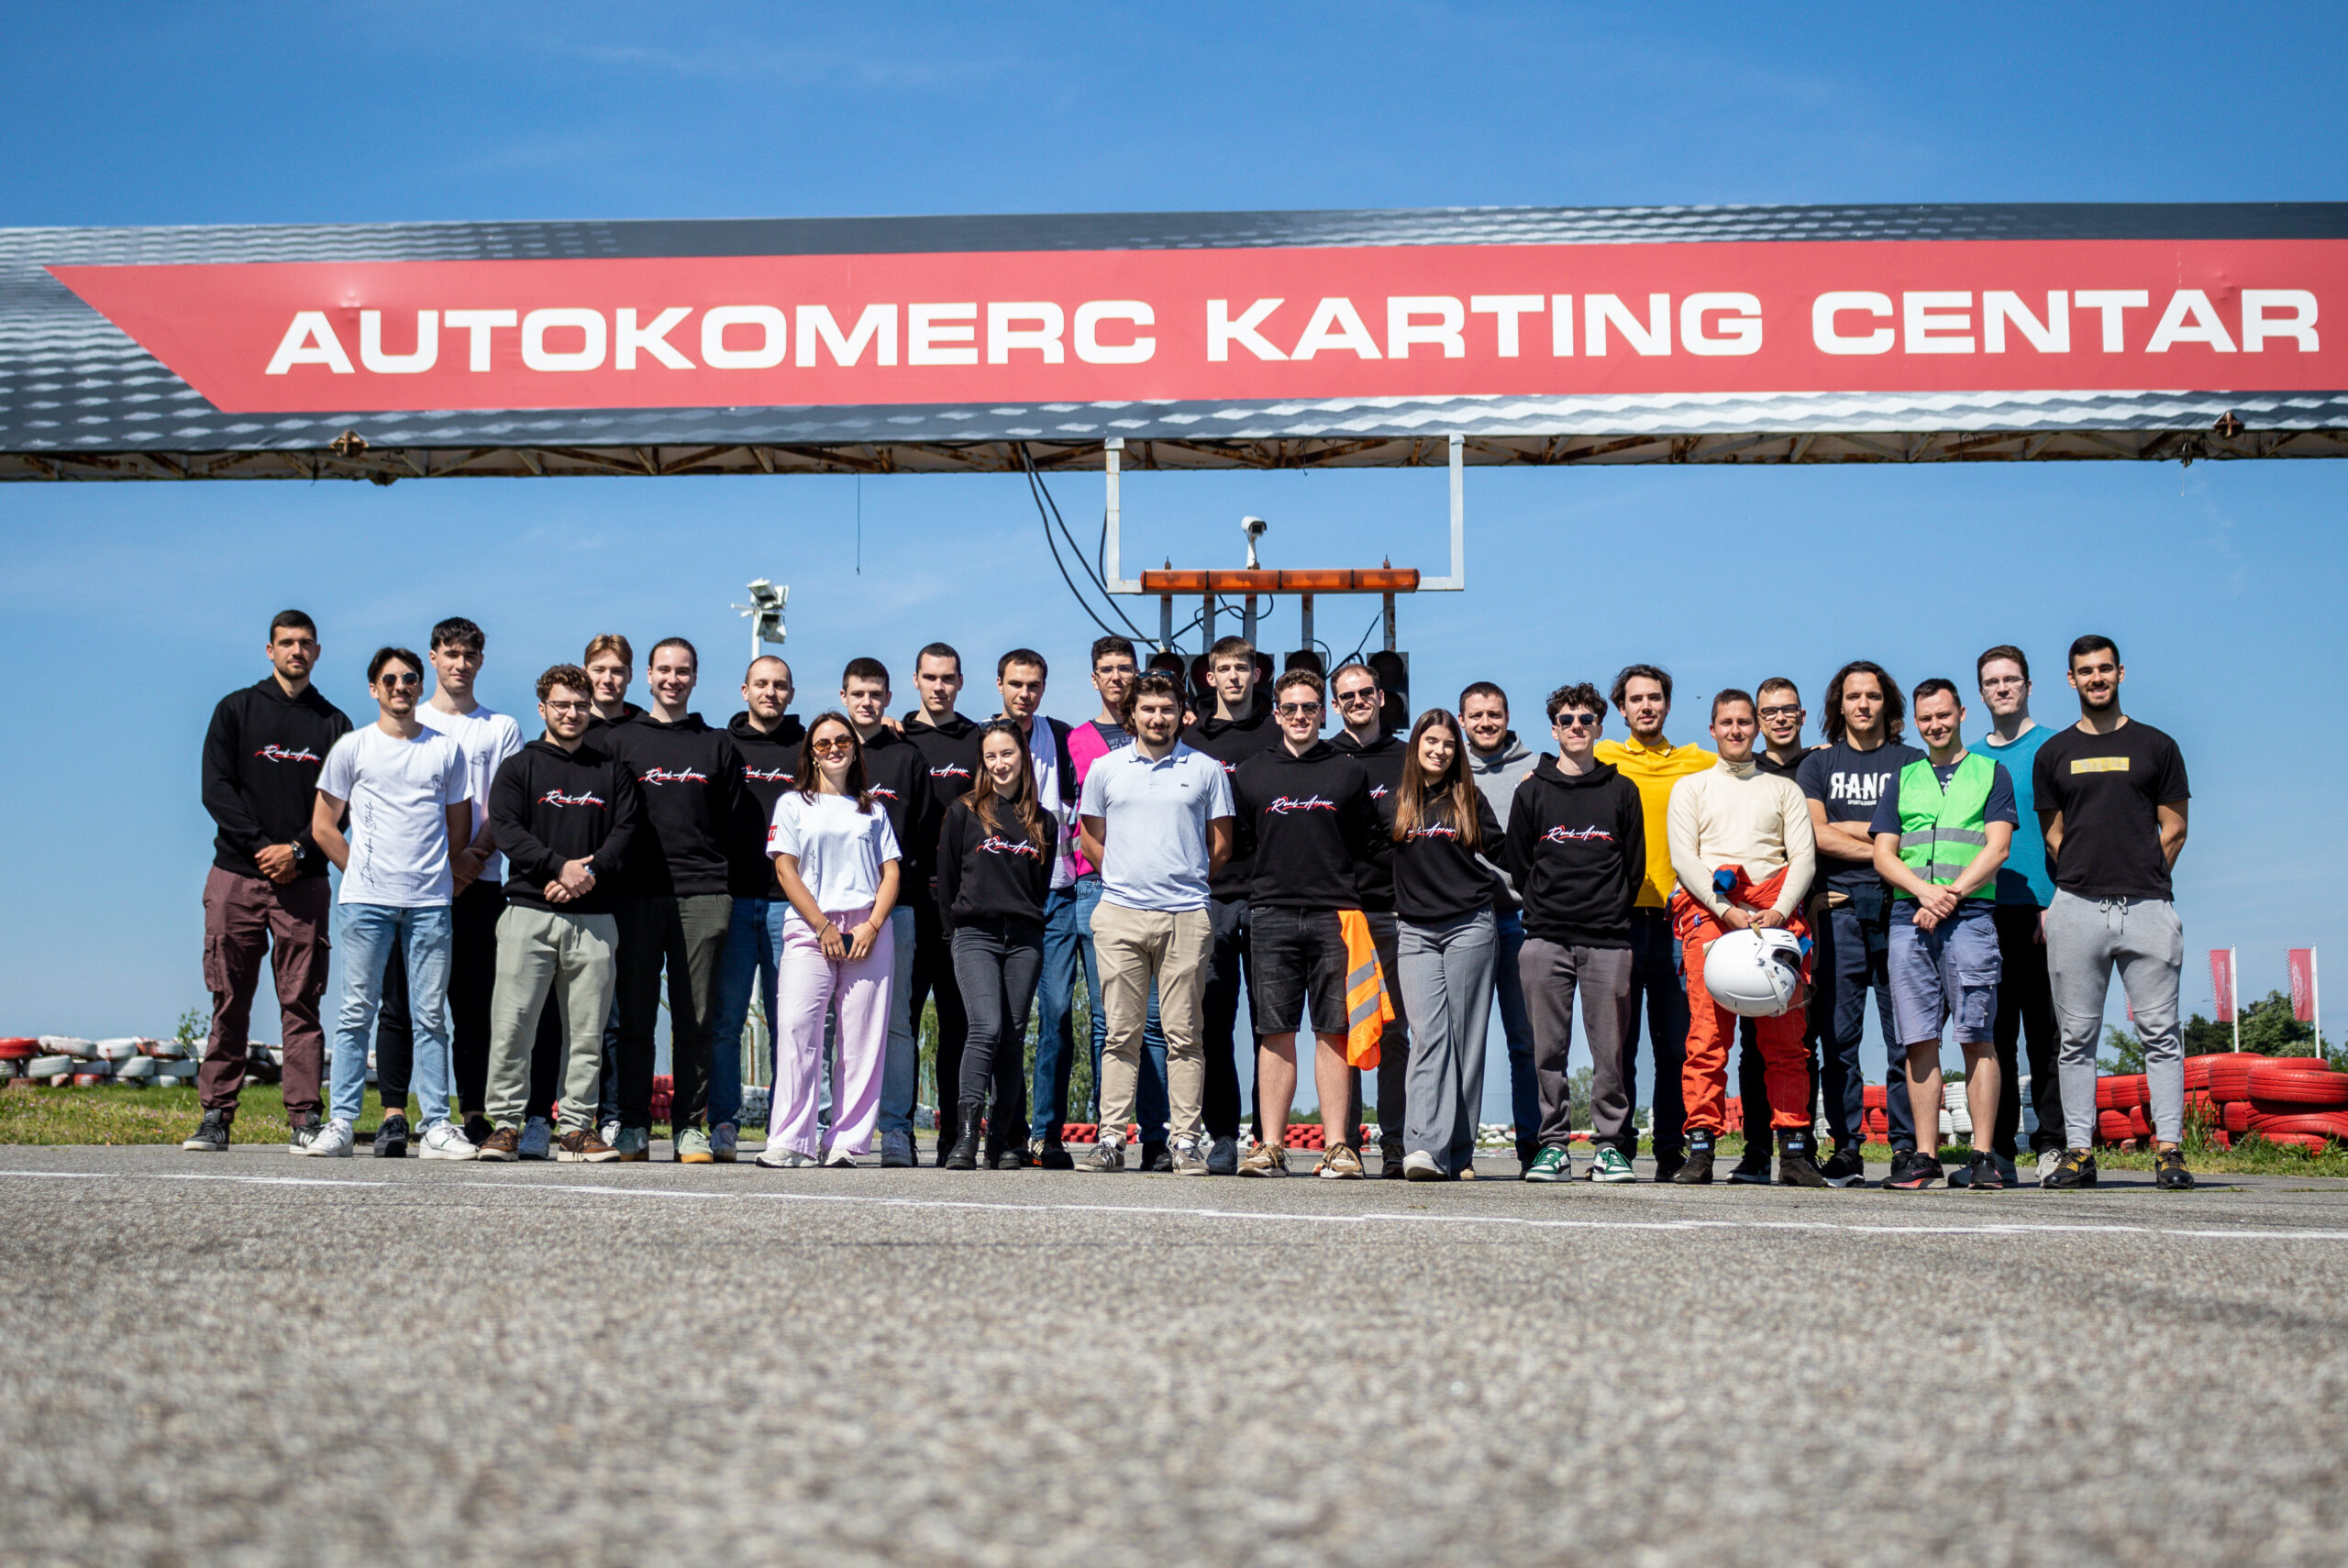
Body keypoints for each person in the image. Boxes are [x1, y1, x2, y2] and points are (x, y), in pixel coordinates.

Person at [185, 610, 350, 1154]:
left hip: (304, 882)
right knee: (229, 997)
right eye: (286, 643)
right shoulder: (236, 710)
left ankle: (304, 1119)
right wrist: (261, 847)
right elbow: (216, 789)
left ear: (317, 651)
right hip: (236, 876)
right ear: (269, 649)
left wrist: (298, 849)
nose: (296, 651)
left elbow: (344, 804)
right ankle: (215, 1116)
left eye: (305, 643)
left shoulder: (334, 724)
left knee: (301, 1001)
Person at [2034, 636, 2194, 1192]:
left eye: (2104, 668)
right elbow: (2054, 835)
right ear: (2071, 680)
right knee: (2075, 1038)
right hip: (2076, 908)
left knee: (2161, 1033)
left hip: (2148, 906)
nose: (2096, 678)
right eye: (2085, 671)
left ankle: (2169, 1151)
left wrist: (2140, 873)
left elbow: (2174, 827)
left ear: (2120, 673)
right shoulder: (2053, 753)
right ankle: (2080, 1152)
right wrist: (2088, 875)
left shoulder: (2158, 746)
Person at [303, 647, 474, 1159]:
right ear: (374, 688)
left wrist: (433, 873)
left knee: (431, 1017)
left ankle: (437, 1125)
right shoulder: (352, 747)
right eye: (390, 679)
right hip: (366, 905)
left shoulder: (446, 750)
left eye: (410, 678)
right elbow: (323, 826)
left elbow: (459, 827)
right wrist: (360, 870)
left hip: (429, 905)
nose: (401, 686)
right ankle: (341, 1123)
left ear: (420, 686)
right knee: (356, 1014)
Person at [474, 665, 643, 1164]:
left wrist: (585, 875)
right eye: (562, 704)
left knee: (587, 1033)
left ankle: (574, 1129)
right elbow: (507, 829)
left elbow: (627, 832)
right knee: (512, 1026)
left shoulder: (611, 772)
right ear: (543, 707)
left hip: (595, 919)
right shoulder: (519, 768)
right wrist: (557, 867)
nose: (572, 713)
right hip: (527, 914)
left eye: (580, 705)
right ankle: (505, 1126)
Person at [372, 619, 526, 1151]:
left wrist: (471, 858)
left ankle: (474, 1112)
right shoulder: (408, 722)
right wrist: (438, 865)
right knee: (402, 1003)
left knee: (474, 1004)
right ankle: (395, 1112)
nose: (460, 664)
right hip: (412, 886)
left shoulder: (500, 728)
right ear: (433, 658)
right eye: (451, 653)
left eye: (470, 655)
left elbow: (506, 804)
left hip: (480, 882)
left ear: (481, 661)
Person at [1665, 690, 1825, 1186]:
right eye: (1726, 723)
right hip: (1712, 917)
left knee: (1787, 1043)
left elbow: (1803, 857)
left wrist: (1778, 910)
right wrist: (1726, 910)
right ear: (1712, 729)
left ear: (1756, 727)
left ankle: (1794, 1152)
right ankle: (1700, 1151)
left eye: (1743, 722)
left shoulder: (1784, 789)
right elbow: (1684, 858)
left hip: (1777, 918)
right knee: (1707, 1040)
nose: (1735, 731)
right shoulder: (1691, 788)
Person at [1076, 671, 1234, 1175]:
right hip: (1120, 913)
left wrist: (1183, 880)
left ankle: (1185, 1142)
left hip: (1186, 915)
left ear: (1181, 713)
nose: (1157, 717)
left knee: (1185, 1034)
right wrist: (1125, 879)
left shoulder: (1206, 769)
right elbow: (1090, 838)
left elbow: (1221, 844)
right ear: (1132, 714)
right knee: (1119, 1033)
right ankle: (1110, 1140)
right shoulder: (1105, 769)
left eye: (1167, 708)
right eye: (1148, 709)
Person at [601, 638, 747, 1164]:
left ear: (695, 677)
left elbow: (734, 824)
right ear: (648, 675)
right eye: (664, 670)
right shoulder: (619, 741)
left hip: (702, 895)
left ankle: (689, 1127)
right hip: (635, 896)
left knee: (696, 1019)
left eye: (683, 671)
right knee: (634, 1019)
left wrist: (718, 882)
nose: (673, 679)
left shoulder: (717, 745)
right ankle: (633, 1126)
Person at [1869, 678, 2016, 1191]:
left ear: (1961, 714)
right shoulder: (1904, 778)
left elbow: (1997, 848)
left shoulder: (1990, 773)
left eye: (1944, 715)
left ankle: (1983, 1158)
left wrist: (1948, 896)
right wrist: (1923, 893)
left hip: (1970, 917)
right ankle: (1925, 1157)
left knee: (1978, 1036)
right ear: (1916, 723)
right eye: (1926, 718)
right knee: (1918, 1041)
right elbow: (1883, 853)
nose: (1936, 725)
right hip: (1909, 919)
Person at [1233, 669, 1380, 1177]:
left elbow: (1366, 844)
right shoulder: (1250, 774)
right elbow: (1242, 845)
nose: (1300, 716)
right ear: (1276, 714)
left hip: (1335, 916)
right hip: (1270, 913)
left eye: (1310, 707)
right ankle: (1270, 1146)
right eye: (1291, 708)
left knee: (1333, 1031)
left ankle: (1337, 1147)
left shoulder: (1347, 772)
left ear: (1323, 713)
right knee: (1275, 1030)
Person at [1506, 683, 1645, 1184]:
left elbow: (1634, 868)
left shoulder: (1621, 790)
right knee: (1547, 1052)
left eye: (1586, 719)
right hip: (1545, 939)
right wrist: (1547, 907)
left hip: (1608, 940)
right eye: (1567, 720)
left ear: (1600, 727)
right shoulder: (1531, 791)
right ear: (1554, 729)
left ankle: (1610, 1147)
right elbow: (1519, 863)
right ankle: (1553, 1147)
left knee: (1610, 1054)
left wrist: (1606, 910)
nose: (1577, 727)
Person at [1797, 661, 1923, 1186]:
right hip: (1838, 911)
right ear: (1839, 705)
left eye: (1872, 695)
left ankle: (1905, 1146)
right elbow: (1815, 834)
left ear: (1886, 703)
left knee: (1905, 1036)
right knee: (1839, 1040)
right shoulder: (1818, 764)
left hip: (1902, 911)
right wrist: (1884, 845)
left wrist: (1849, 829)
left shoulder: (1912, 762)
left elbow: (1920, 833)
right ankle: (1846, 1147)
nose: (1863, 704)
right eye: (1853, 696)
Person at [759, 712, 903, 1168]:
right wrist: (822, 925)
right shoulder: (792, 804)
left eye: (843, 741)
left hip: (866, 930)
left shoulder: (873, 810)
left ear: (855, 750)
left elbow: (891, 873)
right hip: (811, 927)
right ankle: (790, 1140)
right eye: (823, 743)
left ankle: (846, 1142)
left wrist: (872, 926)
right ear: (811, 754)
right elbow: (785, 869)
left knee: (861, 1041)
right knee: (797, 1030)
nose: (834, 748)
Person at [1593, 667, 1716, 1180]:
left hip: (1678, 920)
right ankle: (1616, 1146)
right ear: (1621, 709)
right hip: (1618, 919)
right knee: (1618, 1045)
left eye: (1655, 697)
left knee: (1675, 1044)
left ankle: (1670, 1149)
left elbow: (1752, 769)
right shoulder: (1601, 756)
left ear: (1667, 704)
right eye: (1636, 699)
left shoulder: (1699, 762)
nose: (1646, 706)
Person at [1069, 636, 1173, 1170]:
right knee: (1108, 1021)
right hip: (1100, 887)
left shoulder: (1167, 733)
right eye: (1106, 669)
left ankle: (1156, 1136)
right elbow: (1085, 826)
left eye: (1125, 668)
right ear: (1094, 678)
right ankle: (1109, 1135)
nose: (1116, 677)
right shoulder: (1074, 739)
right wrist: (1118, 873)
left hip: (1162, 895)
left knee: (1156, 1021)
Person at [936, 721, 1056, 1169]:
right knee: (985, 1028)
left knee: (1013, 1037)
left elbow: (1038, 887)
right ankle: (966, 1137)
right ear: (982, 762)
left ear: (1023, 756)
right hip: (975, 936)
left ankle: (1003, 1140)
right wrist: (954, 935)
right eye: (991, 756)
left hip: (1024, 940)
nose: (1000, 764)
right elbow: (947, 882)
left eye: (1008, 754)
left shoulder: (1044, 821)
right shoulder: (964, 812)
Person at [1390, 711, 1503, 1181]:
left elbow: (1508, 852)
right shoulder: (1395, 799)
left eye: (1449, 744)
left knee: (1465, 1041)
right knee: (1427, 1036)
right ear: (1416, 745)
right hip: (1415, 932)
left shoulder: (1467, 797)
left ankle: (1458, 1152)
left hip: (1470, 926)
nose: (1439, 750)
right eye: (1431, 741)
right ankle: (1423, 1148)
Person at [1181, 635, 1277, 1174]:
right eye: (1225, 669)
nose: (1235, 677)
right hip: (1210, 895)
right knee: (1214, 1021)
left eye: (1243, 667)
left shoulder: (1276, 733)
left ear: (1256, 675)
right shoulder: (1191, 739)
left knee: (1270, 1023)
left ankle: (1266, 1138)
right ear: (1210, 677)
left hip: (1268, 895)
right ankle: (1222, 1135)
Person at [707, 655, 803, 1162]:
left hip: (790, 905)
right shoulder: (724, 745)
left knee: (790, 1023)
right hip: (734, 900)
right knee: (726, 1022)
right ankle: (722, 1122)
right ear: (744, 690)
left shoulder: (808, 747)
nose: (771, 692)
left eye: (780, 685)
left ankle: (786, 1125)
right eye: (761, 684)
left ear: (791, 692)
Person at [840, 657, 935, 1167]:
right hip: (832, 911)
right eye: (858, 693)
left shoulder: (906, 758)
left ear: (889, 699)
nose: (867, 702)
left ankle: (896, 1129)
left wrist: (891, 898)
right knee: (835, 1022)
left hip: (896, 910)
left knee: (896, 1022)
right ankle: (835, 1126)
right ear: (843, 697)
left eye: (875, 694)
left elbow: (918, 833)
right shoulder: (826, 751)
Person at [1978, 646, 2064, 1185]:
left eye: (2011, 679)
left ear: (2029, 685)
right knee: (1995, 1036)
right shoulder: (1969, 759)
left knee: (2049, 1036)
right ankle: (2001, 1149)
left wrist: (2060, 899)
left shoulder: (2055, 747)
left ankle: (2054, 1145)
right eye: (1993, 681)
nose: (2003, 688)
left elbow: (2074, 832)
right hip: (1985, 913)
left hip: (2046, 910)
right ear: (1981, 693)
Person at [999, 648, 1086, 1168]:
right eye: (1016, 684)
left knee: (1056, 1015)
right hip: (1005, 896)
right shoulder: (983, 740)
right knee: (1002, 1021)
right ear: (1000, 685)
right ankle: (1005, 1129)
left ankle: (1046, 1134)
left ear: (1044, 688)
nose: (1024, 693)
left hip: (1058, 893)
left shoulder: (1064, 737)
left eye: (1033, 685)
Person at [1727, 677, 1814, 1183]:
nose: (1779, 718)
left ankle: (1802, 1148)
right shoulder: (1746, 771)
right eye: (1768, 712)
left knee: (1803, 1037)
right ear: (1758, 722)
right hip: (1754, 919)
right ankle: (1757, 1147)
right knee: (1752, 1039)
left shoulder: (1822, 764)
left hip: (1811, 911)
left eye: (1788, 710)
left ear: (1802, 714)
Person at [902, 643, 982, 1164]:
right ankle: (899, 1130)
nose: (939, 686)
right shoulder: (895, 737)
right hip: (906, 900)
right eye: (930, 677)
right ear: (916, 680)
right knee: (904, 1023)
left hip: (959, 902)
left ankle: (955, 1133)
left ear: (960, 682)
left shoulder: (977, 740)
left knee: (958, 1023)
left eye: (948, 678)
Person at [1330, 659, 1412, 1176]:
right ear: (1335, 705)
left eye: (1366, 693)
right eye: (1348, 696)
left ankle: (1396, 1143)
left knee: (1396, 1032)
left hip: (1396, 911)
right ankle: (1346, 1144)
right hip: (1341, 912)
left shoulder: (1409, 757)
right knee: (1344, 1031)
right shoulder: (1324, 758)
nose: (1358, 701)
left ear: (1381, 697)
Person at [1459, 682, 1541, 1171]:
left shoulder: (1537, 770)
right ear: (1462, 720)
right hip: (1464, 918)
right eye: (1476, 715)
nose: (1486, 723)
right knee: (1462, 1041)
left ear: (1508, 717)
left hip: (1519, 919)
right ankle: (1458, 1149)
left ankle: (1534, 1147)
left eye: (1494, 714)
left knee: (1526, 1041)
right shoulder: (1447, 768)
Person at [582, 632, 641, 1143]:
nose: (608, 679)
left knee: (619, 1013)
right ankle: (558, 1113)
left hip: (626, 891)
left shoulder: (641, 730)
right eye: (599, 669)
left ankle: (615, 1114)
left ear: (630, 676)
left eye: (617, 670)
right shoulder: (567, 729)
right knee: (570, 1013)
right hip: (569, 889)